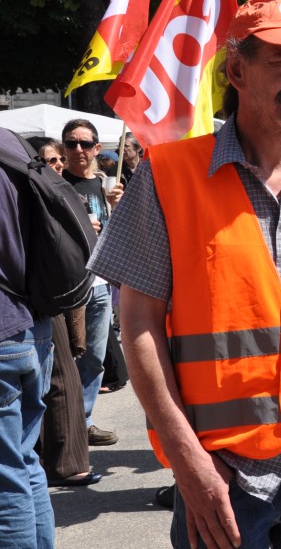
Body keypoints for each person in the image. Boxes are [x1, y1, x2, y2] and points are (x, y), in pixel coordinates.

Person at [88, 0, 281, 549]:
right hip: (220, 471)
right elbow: (138, 323)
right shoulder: (168, 174)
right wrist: (187, 461)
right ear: (237, 70)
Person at [1, 127, 56, 547]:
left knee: (6, 477)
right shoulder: (11, 141)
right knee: (23, 461)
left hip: (9, 326)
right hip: (31, 320)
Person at [32, 140, 98, 487]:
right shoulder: (45, 190)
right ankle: (65, 460)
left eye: (59, 158)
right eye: (51, 159)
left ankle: (67, 459)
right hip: (44, 299)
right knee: (60, 376)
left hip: (54, 296)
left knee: (69, 370)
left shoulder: (45, 190)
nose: (58, 162)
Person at [62, 118, 122, 447]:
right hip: (72, 285)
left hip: (100, 284)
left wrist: (117, 207)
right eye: (71, 143)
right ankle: (64, 425)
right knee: (67, 361)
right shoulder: (55, 185)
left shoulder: (102, 185)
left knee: (95, 360)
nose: (78, 150)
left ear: (97, 149)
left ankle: (83, 420)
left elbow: (114, 234)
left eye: (85, 144)